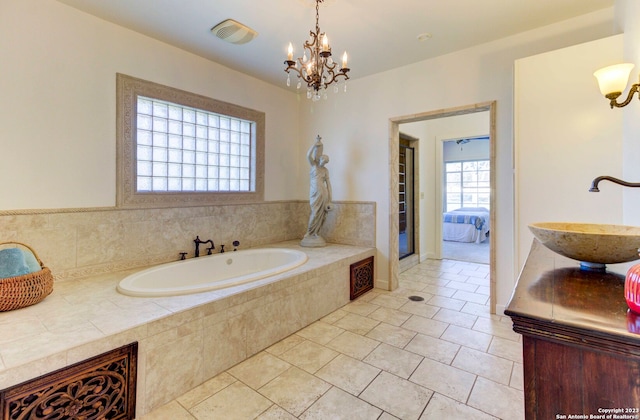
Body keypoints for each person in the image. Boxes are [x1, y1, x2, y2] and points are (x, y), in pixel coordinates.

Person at [301, 135, 332, 247]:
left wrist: (330, 200)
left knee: (322, 215)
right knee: (315, 213)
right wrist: (315, 144)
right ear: (320, 159)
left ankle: (316, 233)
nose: (324, 163)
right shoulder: (314, 165)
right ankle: (309, 233)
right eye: (324, 161)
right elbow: (308, 155)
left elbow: (329, 186)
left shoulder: (325, 170)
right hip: (314, 193)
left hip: (323, 193)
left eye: (326, 162)